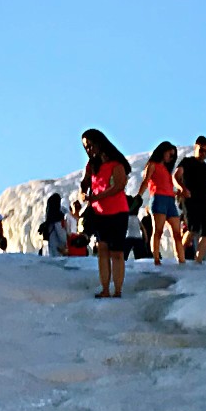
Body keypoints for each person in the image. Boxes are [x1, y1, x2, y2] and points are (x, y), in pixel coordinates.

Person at [79, 128, 132, 298]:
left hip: (117, 212)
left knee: (116, 251)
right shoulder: (92, 165)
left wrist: (97, 196)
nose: (88, 150)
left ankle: (117, 290)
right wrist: (83, 192)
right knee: (102, 249)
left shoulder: (116, 163)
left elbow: (118, 186)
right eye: (85, 147)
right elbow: (85, 182)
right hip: (100, 212)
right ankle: (105, 289)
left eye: (90, 145)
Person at [140, 141, 182, 263]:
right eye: (170, 153)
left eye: (173, 155)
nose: (171, 157)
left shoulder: (166, 170)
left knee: (176, 232)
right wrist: (138, 196)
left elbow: (166, 186)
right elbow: (146, 181)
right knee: (158, 230)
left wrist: (176, 193)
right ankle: (156, 259)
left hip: (169, 199)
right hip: (158, 198)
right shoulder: (153, 165)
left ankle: (181, 259)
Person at [177, 136, 206, 262]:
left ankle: (198, 260)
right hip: (189, 199)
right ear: (195, 147)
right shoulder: (187, 162)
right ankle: (180, 255)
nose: (204, 154)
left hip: (204, 201)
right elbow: (175, 177)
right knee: (192, 229)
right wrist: (182, 188)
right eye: (202, 150)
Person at [38, 191, 67, 257]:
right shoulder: (58, 220)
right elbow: (63, 238)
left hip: (47, 253)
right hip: (58, 254)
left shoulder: (46, 223)